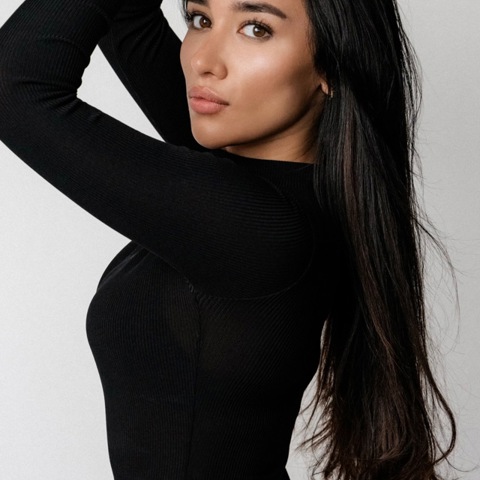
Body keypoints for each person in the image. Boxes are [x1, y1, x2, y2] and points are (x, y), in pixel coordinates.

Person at [0, 0, 456, 478]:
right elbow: (128, 16)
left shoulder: (256, 226)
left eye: (256, 29)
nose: (203, 60)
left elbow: (13, 86)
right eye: (200, 19)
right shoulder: (277, 197)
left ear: (332, 65)